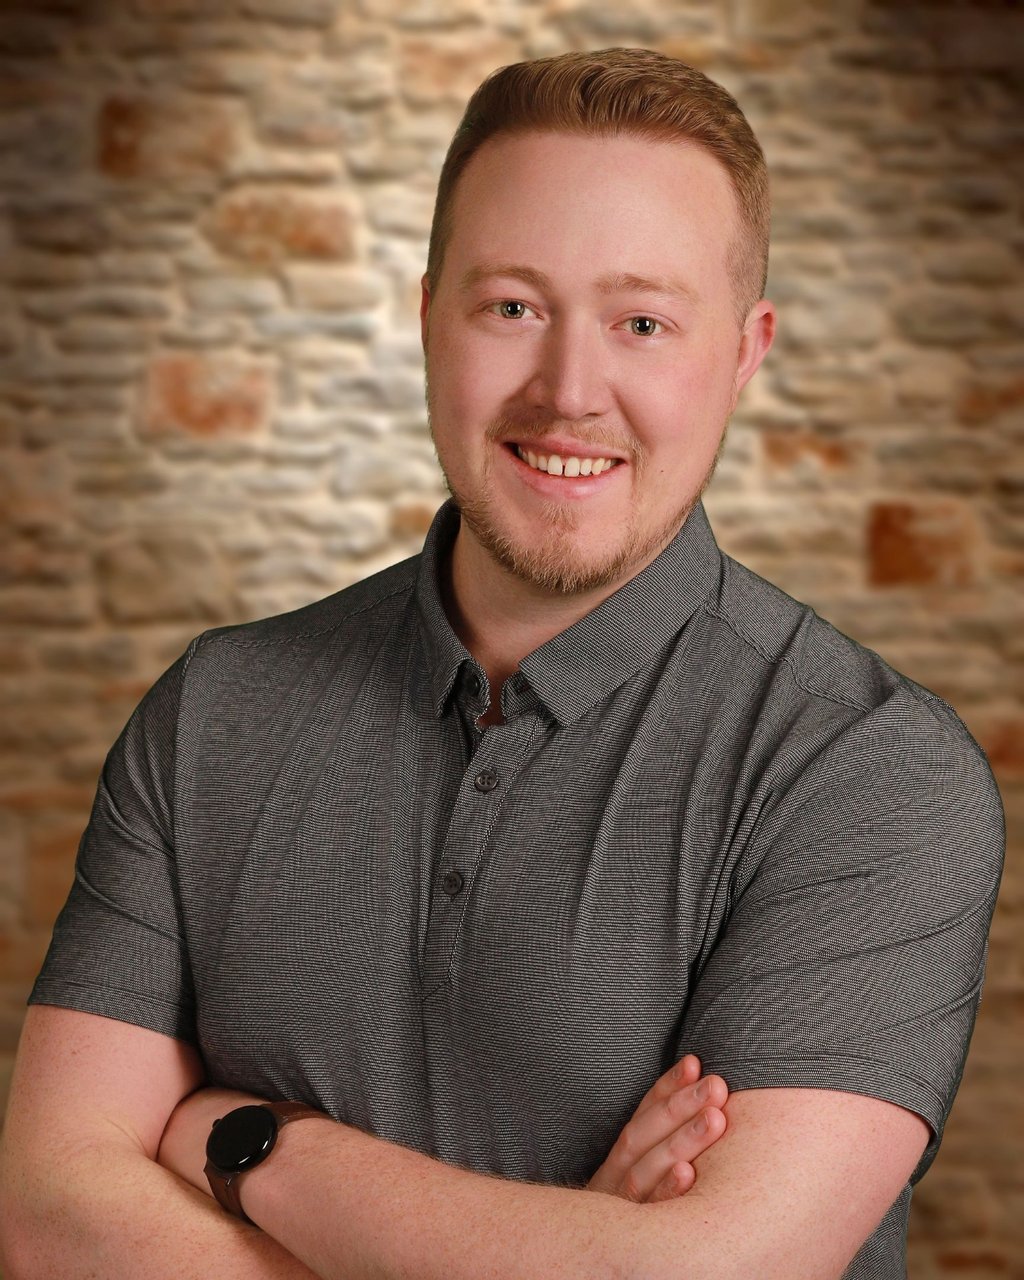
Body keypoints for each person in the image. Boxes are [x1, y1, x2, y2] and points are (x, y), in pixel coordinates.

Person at [0, 46, 1004, 1280]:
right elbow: (49, 1216)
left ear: (745, 351)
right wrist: (564, 1245)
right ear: (429, 315)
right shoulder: (211, 711)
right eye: (513, 307)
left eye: (642, 322)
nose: (568, 390)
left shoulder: (868, 770)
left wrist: (253, 1145)